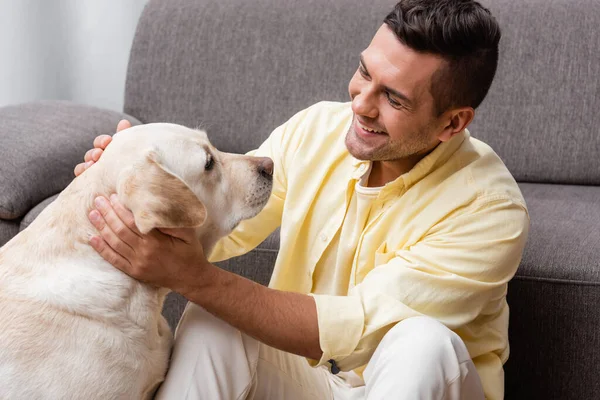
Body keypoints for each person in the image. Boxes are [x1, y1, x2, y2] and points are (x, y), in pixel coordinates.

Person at [74, 1, 529, 399]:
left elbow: (355, 326)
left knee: (424, 345)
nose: (361, 104)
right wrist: (135, 190)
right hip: (309, 382)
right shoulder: (316, 130)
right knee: (217, 319)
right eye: (365, 72)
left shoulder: (491, 210)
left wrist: (197, 279)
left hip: (413, 386)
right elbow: (213, 214)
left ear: (453, 123)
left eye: (393, 98)